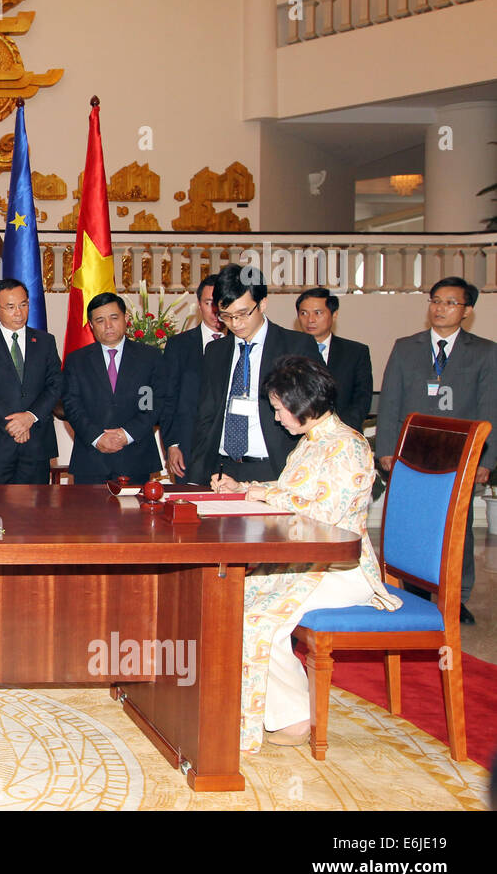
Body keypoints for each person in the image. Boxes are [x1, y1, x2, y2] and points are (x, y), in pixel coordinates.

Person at [212, 356, 396, 752]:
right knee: (233, 599)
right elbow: (292, 490)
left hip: (340, 568)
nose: (276, 418)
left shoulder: (347, 446)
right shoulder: (313, 442)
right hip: (309, 561)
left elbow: (323, 517)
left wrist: (260, 494)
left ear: (300, 402)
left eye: (279, 409)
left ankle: (295, 718)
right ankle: (267, 707)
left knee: (255, 615)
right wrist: (242, 487)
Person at [376, 276, 497, 625]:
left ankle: (456, 597)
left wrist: (485, 461)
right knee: (411, 524)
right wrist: (387, 449)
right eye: (435, 301)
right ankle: (412, 590)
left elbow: (490, 409)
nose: (440, 308)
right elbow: (391, 402)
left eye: (450, 303)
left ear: (467, 310)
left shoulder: (485, 352)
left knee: (456, 527)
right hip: (411, 457)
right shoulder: (406, 346)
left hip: (459, 456)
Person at [188, 262, 322, 485]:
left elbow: (315, 410)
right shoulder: (216, 351)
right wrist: (197, 471)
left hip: (275, 467)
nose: (235, 323)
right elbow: (206, 415)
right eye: (226, 316)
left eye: (242, 314)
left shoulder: (296, 345)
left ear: (262, 303)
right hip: (223, 469)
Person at [61, 292, 167, 485]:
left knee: (135, 514)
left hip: (135, 457)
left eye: (114, 318)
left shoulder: (149, 357)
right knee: (88, 515)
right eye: (100, 320)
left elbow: (151, 403)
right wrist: (97, 437)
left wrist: (126, 435)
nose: (108, 326)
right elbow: (72, 405)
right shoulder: (76, 360)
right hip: (91, 458)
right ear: (91, 326)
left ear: (126, 319)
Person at [0, 276, 63, 484]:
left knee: (35, 513)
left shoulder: (45, 341)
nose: (19, 313)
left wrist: (30, 417)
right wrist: (12, 424)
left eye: (23, 305)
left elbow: (55, 384)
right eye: (10, 307)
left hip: (37, 442)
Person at [160, 274, 222, 482]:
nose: (215, 310)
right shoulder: (179, 346)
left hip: (229, 452)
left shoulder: (241, 344)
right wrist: (172, 444)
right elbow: (168, 398)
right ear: (199, 305)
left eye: (221, 303)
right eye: (208, 303)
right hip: (188, 449)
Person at [296, 287, 373, 432]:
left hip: (343, 434)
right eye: (304, 313)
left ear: (334, 314)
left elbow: (362, 399)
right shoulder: (288, 351)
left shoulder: (356, 352)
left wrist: (339, 431)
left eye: (318, 313)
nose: (310, 320)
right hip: (296, 437)